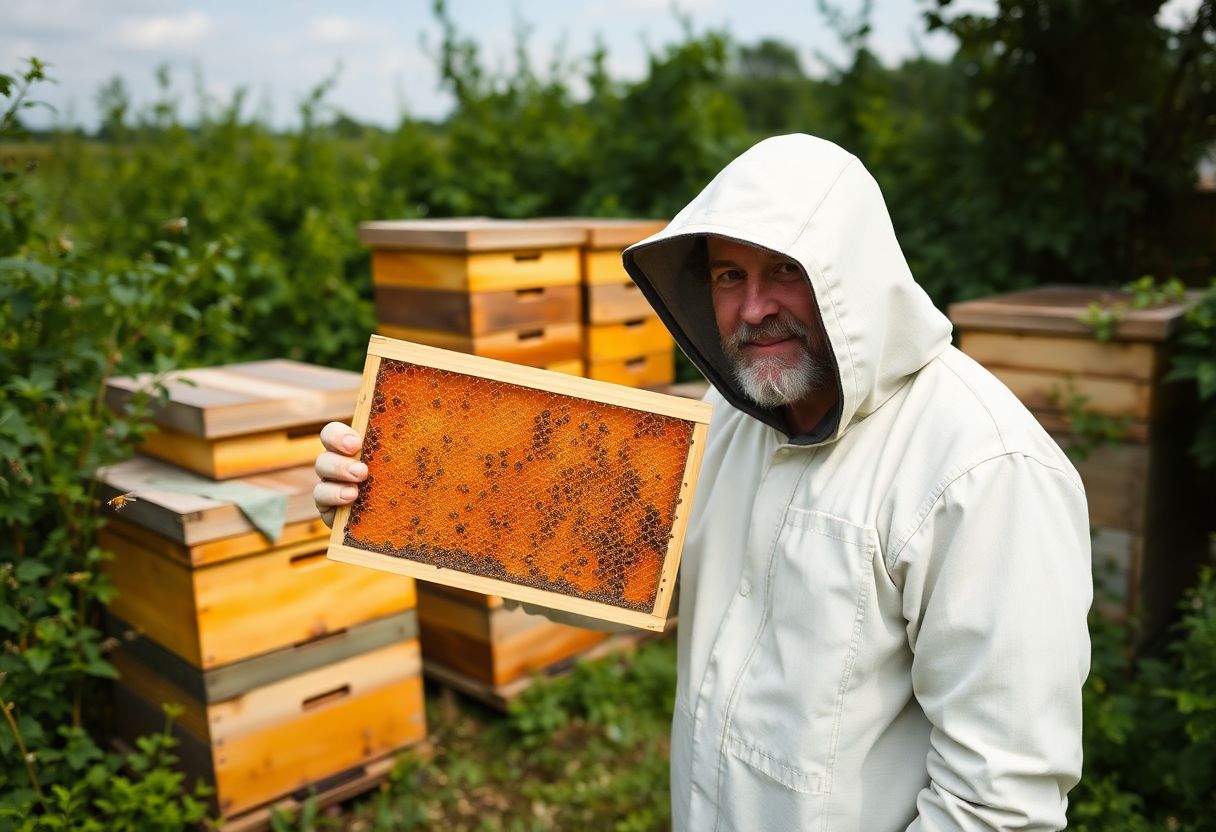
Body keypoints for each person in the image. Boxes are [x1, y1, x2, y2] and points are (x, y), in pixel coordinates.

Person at [315, 134, 1093, 831]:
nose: (754, 308)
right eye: (729, 275)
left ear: (851, 273)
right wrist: (388, 491)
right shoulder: (731, 421)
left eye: (784, 270)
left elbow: (998, 806)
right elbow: (621, 565)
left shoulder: (984, 472)